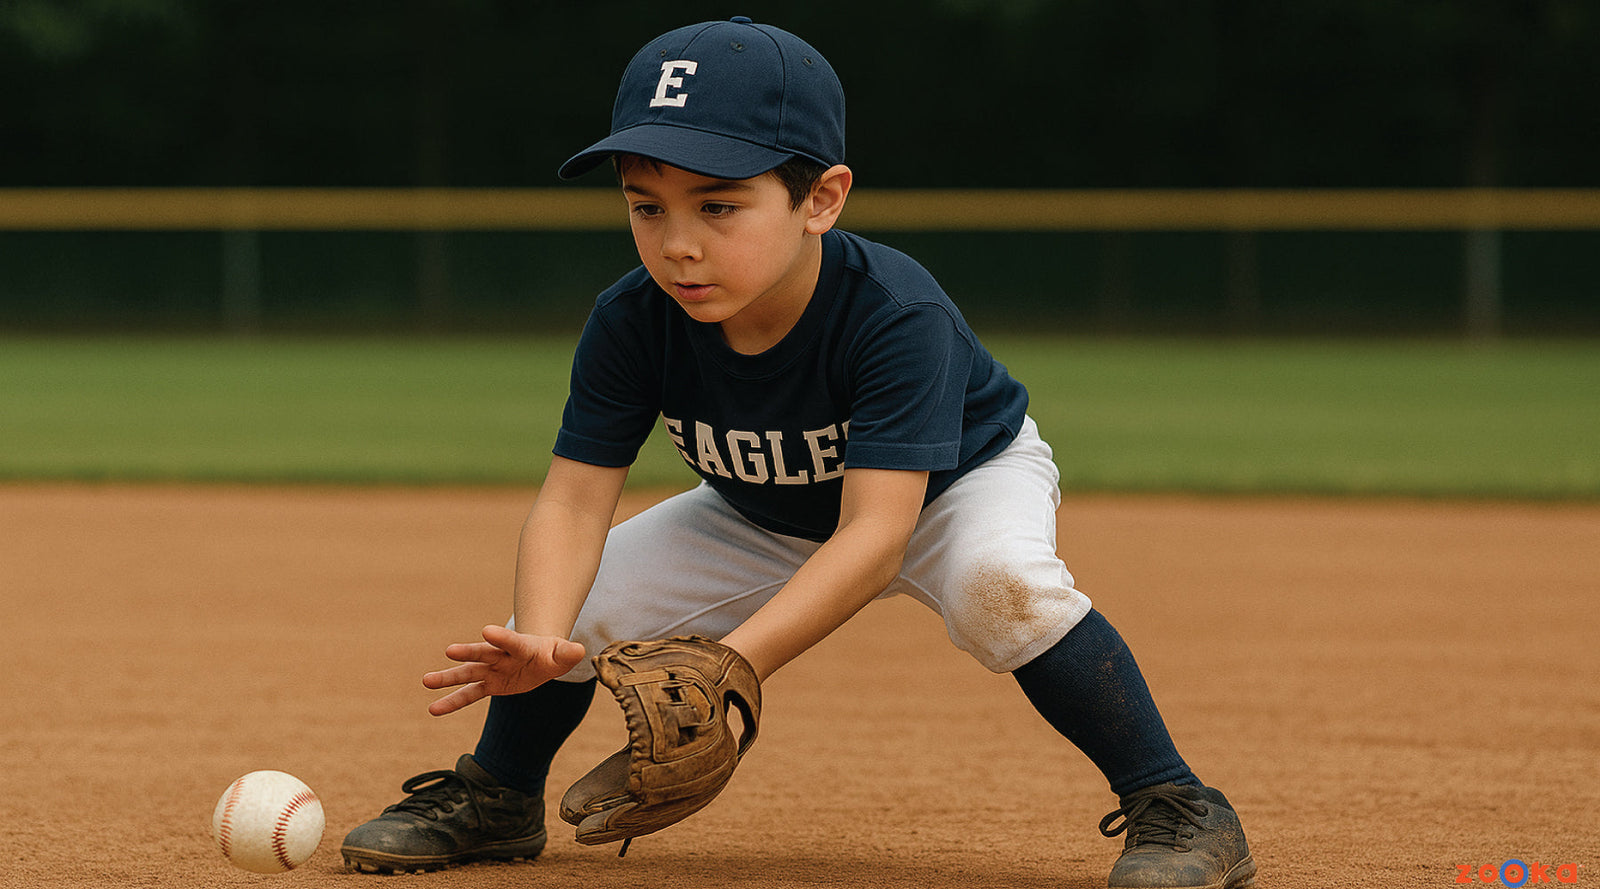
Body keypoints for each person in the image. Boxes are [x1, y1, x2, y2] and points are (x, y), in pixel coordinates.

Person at [340, 17, 1254, 889]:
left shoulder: (896, 315)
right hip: (763, 505)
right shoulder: (633, 318)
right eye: (645, 207)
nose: (679, 243)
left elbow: (877, 535)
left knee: (999, 585)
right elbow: (575, 502)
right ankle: (500, 794)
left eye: (721, 204)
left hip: (951, 485)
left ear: (821, 199)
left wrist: (727, 669)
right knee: (593, 599)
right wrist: (544, 634)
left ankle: (1176, 799)